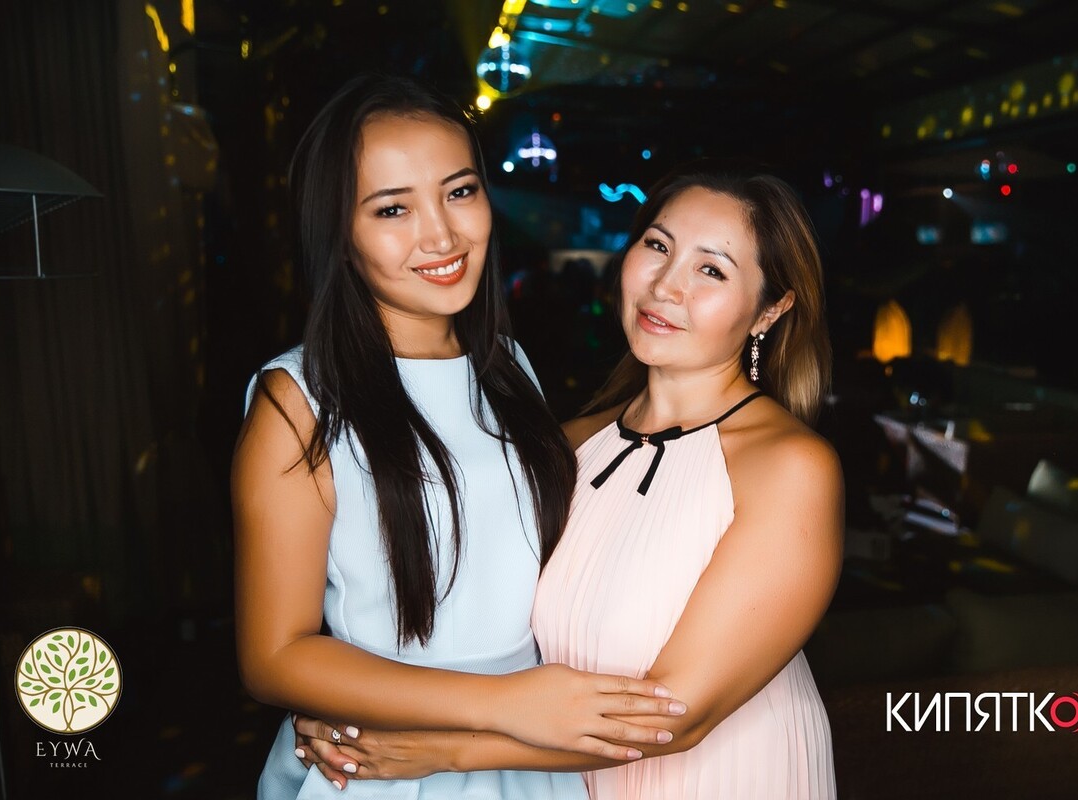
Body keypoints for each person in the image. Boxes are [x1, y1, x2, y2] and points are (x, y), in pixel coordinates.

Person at [293, 158, 844, 798]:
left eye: (712, 270)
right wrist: (361, 705)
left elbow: (675, 717)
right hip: (573, 784)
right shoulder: (570, 442)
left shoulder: (790, 468)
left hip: (728, 776)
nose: (667, 286)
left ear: (770, 310)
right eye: (657, 247)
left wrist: (436, 750)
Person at [231, 73, 686, 800]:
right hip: (387, 761)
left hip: (531, 752)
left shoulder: (506, 365)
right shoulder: (300, 402)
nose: (441, 235)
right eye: (392, 208)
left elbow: (530, 467)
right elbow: (273, 656)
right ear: (340, 235)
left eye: (460, 191)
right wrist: (506, 703)